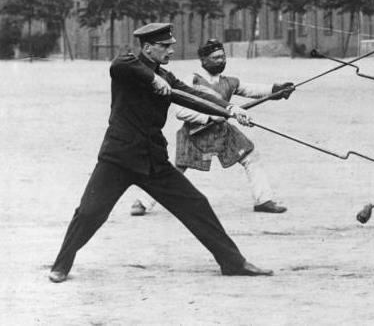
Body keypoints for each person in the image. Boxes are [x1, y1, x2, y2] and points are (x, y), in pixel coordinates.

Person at [48, 23, 272, 283]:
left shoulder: (167, 77)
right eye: (165, 46)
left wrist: (231, 109)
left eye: (172, 45)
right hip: (118, 158)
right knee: (89, 213)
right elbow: (119, 63)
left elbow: (192, 95)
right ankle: (61, 265)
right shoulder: (128, 68)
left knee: (196, 204)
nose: (171, 50)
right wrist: (151, 78)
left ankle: (233, 262)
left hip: (153, 161)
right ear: (147, 47)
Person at [130, 38, 294, 216]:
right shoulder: (192, 80)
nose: (221, 61)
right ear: (204, 60)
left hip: (222, 132)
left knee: (251, 156)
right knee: (176, 169)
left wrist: (276, 90)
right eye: (216, 58)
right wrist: (209, 116)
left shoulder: (229, 82)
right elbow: (180, 112)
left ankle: (264, 200)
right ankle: (143, 202)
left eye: (223, 57)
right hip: (195, 134)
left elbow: (251, 89)